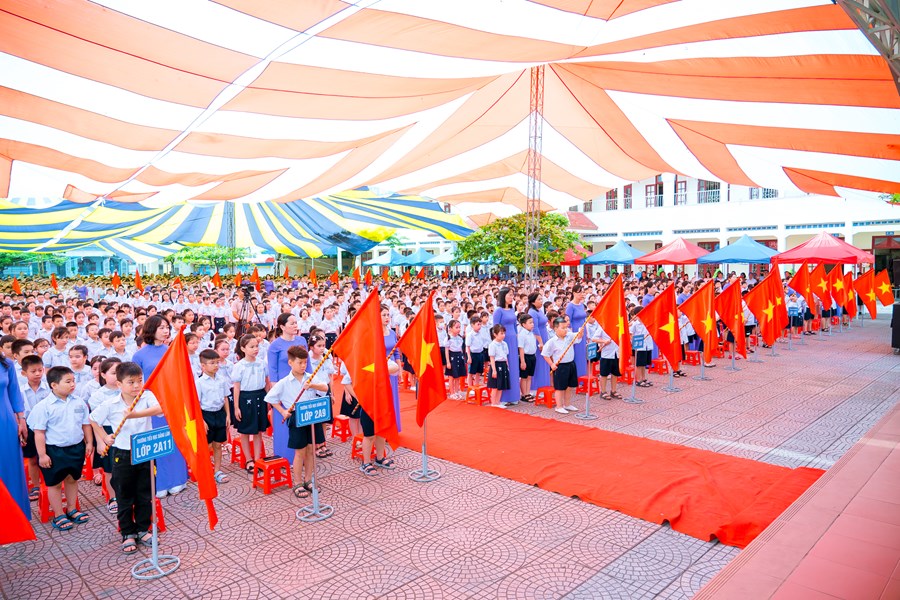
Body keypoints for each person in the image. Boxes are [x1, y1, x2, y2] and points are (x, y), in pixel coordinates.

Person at [90, 361, 162, 554]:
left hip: (146, 451)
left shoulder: (146, 396)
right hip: (122, 454)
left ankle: (143, 529)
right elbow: (93, 419)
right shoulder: (111, 404)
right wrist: (104, 437)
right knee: (124, 495)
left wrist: (135, 415)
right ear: (119, 384)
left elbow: (160, 409)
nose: (136, 385)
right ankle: (127, 533)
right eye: (131, 382)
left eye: (139, 380)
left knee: (145, 493)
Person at [27, 365, 94, 531]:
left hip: (76, 448)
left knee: (72, 479)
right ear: (54, 385)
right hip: (54, 450)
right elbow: (39, 433)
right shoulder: (44, 406)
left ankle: (71, 509)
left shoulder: (79, 402)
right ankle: (58, 514)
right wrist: (42, 455)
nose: (72, 384)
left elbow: (86, 424)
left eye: (73, 381)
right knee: (55, 483)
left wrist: (89, 442)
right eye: (68, 381)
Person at [133, 315, 188, 497]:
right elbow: (136, 383)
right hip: (152, 404)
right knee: (158, 443)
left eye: (167, 327)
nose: (166, 331)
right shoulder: (139, 355)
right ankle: (160, 482)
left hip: (172, 401)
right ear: (151, 329)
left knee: (175, 440)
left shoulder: (171, 351)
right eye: (161, 327)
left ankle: (178, 479)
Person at [265, 346, 327, 496]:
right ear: (290, 363)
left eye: (305, 362)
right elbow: (270, 398)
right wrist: (283, 411)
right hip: (297, 417)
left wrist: (312, 385)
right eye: (300, 363)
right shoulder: (284, 382)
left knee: (311, 450)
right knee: (300, 451)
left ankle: (308, 479)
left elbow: (325, 387)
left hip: (312, 416)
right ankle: (298, 482)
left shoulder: (310, 377)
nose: (303, 366)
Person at [267, 313, 307, 463]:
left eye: (296, 322)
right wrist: (276, 391)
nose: (295, 325)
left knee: (301, 422)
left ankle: (301, 457)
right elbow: (273, 371)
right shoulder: (275, 346)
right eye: (292, 323)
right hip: (283, 389)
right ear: (282, 326)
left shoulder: (302, 340)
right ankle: (285, 457)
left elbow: (307, 364)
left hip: (301, 386)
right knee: (285, 423)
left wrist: (309, 383)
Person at [232, 334, 270, 473]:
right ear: (243, 348)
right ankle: (248, 459)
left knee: (259, 430)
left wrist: (269, 400)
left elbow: (267, 382)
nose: (255, 349)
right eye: (251, 347)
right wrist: (236, 407)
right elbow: (236, 387)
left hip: (260, 396)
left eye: (257, 346)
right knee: (245, 431)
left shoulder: (262, 363)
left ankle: (258, 459)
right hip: (245, 399)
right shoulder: (239, 366)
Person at [197, 349, 230, 484]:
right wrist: (202, 420)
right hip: (206, 415)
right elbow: (196, 403)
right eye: (212, 363)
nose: (216, 365)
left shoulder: (221, 379)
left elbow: (225, 398)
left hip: (220, 413)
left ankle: (217, 471)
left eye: (217, 362)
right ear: (203, 366)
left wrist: (228, 415)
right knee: (206, 445)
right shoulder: (199, 382)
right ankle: (204, 470)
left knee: (218, 444)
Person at [19, 354, 49, 502]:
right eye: (33, 371)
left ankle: (51, 483)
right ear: (24, 373)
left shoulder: (49, 388)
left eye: (40, 370)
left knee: (48, 455)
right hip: (29, 427)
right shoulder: (20, 391)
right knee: (32, 458)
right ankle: (36, 486)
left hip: (47, 428)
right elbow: (19, 412)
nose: (37, 374)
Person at [541, 317, 582, 415]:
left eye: (566, 327)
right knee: (560, 387)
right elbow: (545, 354)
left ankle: (567, 404)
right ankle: (559, 406)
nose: (565, 330)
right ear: (555, 328)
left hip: (571, 364)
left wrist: (581, 331)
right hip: (560, 366)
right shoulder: (552, 341)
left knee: (569, 386)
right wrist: (551, 364)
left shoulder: (569, 336)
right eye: (563, 328)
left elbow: (578, 336)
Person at [492, 288, 520, 404]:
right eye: (509, 295)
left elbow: (514, 325)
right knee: (504, 367)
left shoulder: (512, 309)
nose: (511, 297)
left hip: (513, 340)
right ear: (503, 296)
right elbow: (495, 327)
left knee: (513, 367)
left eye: (512, 295)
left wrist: (517, 337)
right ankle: (503, 397)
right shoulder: (498, 310)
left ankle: (514, 396)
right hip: (503, 340)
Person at [527, 292, 550, 391]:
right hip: (538, 339)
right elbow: (535, 328)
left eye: (541, 299)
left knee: (544, 362)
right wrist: (540, 342)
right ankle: (537, 387)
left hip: (544, 335)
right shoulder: (532, 312)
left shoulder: (539, 310)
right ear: (533, 302)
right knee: (539, 363)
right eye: (539, 299)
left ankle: (544, 384)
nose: (541, 301)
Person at [565, 285, 588, 377]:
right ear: (574, 293)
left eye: (582, 292)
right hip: (574, 331)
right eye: (579, 292)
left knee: (582, 353)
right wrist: (571, 333)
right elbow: (567, 320)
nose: (581, 294)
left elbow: (584, 319)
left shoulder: (581, 305)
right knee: (576, 353)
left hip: (583, 330)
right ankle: (575, 376)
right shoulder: (570, 306)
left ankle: (582, 374)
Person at [487, 324, 510, 408]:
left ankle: (498, 402)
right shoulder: (492, 345)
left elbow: (506, 356)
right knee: (495, 386)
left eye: (504, 333)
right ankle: (493, 403)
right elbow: (492, 358)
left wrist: (507, 366)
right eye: (501, 333)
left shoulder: (504, 344)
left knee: (501, 385)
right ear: (495, 334)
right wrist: (494, 370)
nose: (503, 335)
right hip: (496, 365)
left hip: (503, 364)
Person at [517, 313, 537, 401]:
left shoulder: (531, 333)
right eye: (530, 323)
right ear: (523, 324)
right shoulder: (522, 334)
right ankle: (524, 394)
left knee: (529, 376)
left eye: (532, 322)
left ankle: (528, 392)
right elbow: (521, 348)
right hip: (525, 357)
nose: (532, 324)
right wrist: (522, 361)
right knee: (524, 377)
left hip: (532, 356)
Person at [445, 319, 466, 399]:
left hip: (459, 356)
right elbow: (447, 351)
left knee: (458, 376)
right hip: (452, 357)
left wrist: (462, 358)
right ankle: (452, 392)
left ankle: (457, 391)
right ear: (450, 328)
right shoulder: (448, 338)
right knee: (451, 377)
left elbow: (461, 349)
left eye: (459, 327)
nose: (458, 329)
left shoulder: (459, 338)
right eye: (456, 327)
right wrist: (448, 362)